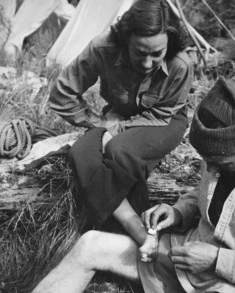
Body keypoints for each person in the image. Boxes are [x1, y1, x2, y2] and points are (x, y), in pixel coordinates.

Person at [33, 77, 235, 293]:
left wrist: (219, 261)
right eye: (206, 162)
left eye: (221, 165)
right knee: (91, 245)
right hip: (186, 259)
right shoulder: (228, 154)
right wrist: (180, 210)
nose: (210, 170)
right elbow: (218, 194)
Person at [48, 0, 193, 246]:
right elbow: (62, 93)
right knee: (80, 152)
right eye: (139, 52)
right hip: (116, 116)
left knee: (119, 150)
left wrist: (117, 129)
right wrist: (99, 122)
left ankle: (120, 233)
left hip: (163, 121)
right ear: (125, 40)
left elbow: (162, 114)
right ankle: (136, 231)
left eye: (157, 54)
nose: (147, 64)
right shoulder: (102, 47)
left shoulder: (181, 64)